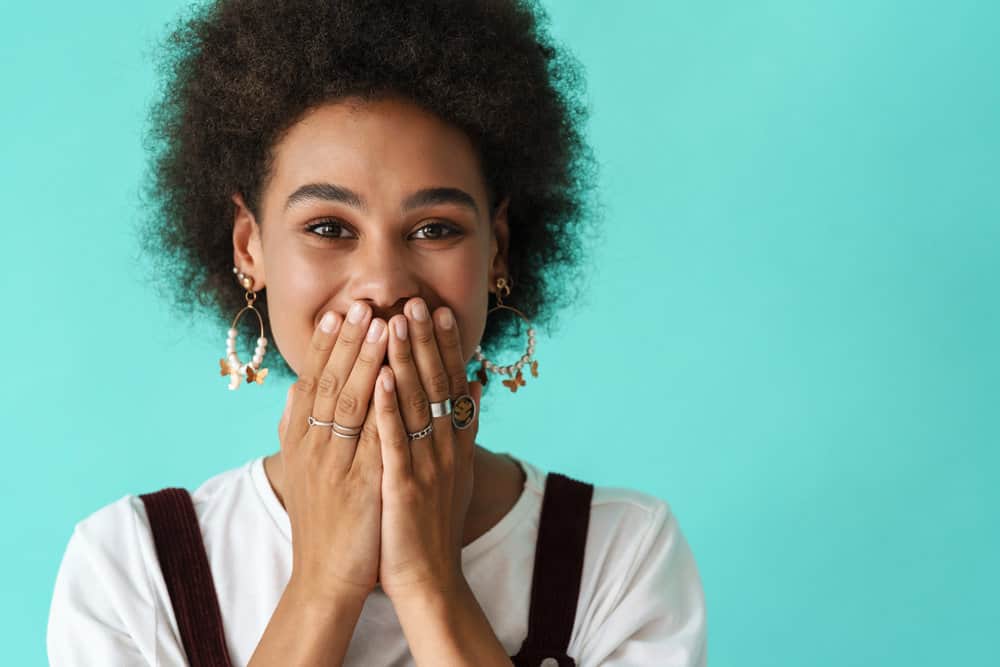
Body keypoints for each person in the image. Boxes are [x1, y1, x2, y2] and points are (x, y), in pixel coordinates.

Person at [46, 1, 707, 665]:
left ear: (497, 250)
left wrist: (430, 582)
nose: (384, 281)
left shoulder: (622, 550)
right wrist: (324, 584)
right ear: (250, 247)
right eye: (329, 228)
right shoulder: (129, 568)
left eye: (434, 228)